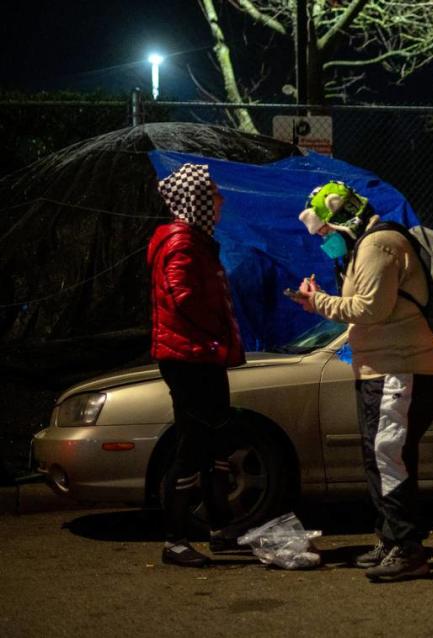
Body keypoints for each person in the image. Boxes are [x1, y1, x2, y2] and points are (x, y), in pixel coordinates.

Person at [293, 181, 433, 581]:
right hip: (382, 369)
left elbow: (371, 309)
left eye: (325, 231)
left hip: (401, 369)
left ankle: (408, 549)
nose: (324, 240)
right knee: (383, 457)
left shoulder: (379, 245)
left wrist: (317, 302)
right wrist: (323, 295)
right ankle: (393, 539)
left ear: (343, 218)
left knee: (388, 456)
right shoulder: (365, 247)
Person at [147, 163, 245, 568]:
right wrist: (215, 331)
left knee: (216, 442)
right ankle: (175, 540)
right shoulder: (183, 243)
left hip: (200, 354)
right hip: (189, 357)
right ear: (197, 200)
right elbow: (182, 295)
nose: (220, 201)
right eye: (214, 194)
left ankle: (220, 530)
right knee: (192, 446)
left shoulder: (196, 240)